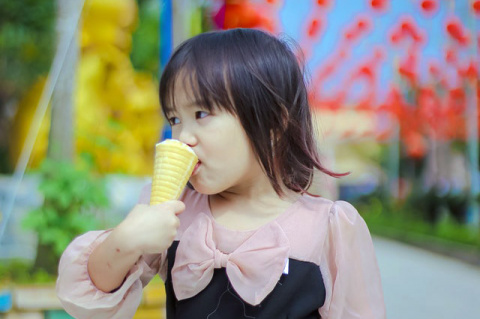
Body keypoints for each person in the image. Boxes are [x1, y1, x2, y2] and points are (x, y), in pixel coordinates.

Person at [56, 28, 386, 318]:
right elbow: (87, 297)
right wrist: (125, 241)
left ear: (274, 121)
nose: (183, 136)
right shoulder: (176, 210)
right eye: (174, 119)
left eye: (201, 113)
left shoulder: (329, 229)